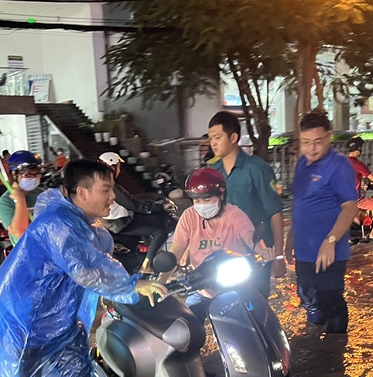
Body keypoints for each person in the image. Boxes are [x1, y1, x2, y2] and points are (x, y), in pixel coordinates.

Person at [0, 159, 167, 377]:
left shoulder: (82, 223)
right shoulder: (60, 224)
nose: (113, 196)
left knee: (79, 375)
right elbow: (87, 271)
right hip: (25, 320)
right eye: (105, 189)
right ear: (82, 192)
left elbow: (98, 261)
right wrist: (131, 287)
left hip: (61, 318)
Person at [285, 111, 358, 338]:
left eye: (318, 142)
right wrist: (290, 238)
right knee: (307, 298)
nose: (312, 148)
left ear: (329, 137)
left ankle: (336, 356)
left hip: (329, 251)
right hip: (305, 250)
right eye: (306, 142)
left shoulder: (339, 166)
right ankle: (314, 347)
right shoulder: (301, 164)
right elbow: (301, 203)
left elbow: (350, 207)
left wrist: (331, 240)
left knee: (331, 301)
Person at [164, 168, 274, 318]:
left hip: (235, 286)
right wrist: (160, 281)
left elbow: (250, 236)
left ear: (221, 195)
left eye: (207, 199)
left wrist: (262, 250)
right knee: (186, 328)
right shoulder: (189, 216)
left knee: (259, 319)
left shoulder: (234, 214)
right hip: (201, 288)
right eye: (197, 200)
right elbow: (175, 251)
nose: (202, 205)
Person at [207, 111, 285, 295]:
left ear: (233, 137)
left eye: (217, 137)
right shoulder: (213, 172)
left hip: (256, 253)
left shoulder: (257, 169)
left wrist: (279, 256)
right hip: (224, 253)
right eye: (211, 138)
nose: (213, 143)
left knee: (255, 306)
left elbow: (275, 212)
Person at [98, 151, 169, 273]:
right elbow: (132, 205)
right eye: (119, 167)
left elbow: (130, 200)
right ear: (113, 167)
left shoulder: (99, 183)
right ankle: (147, 265)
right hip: (119, 224)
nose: (119, 170)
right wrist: (158, 207)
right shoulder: (111, 186)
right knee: (159, 229)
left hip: (110, 221)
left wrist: (149, 204)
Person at [0, 150, 44, 245]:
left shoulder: (42, 194)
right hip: (28, 253)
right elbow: (19, 232)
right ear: (14, 174)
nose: (34, 179)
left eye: (37, 175)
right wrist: (20, 199)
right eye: (28, 175)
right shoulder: (5, 202)